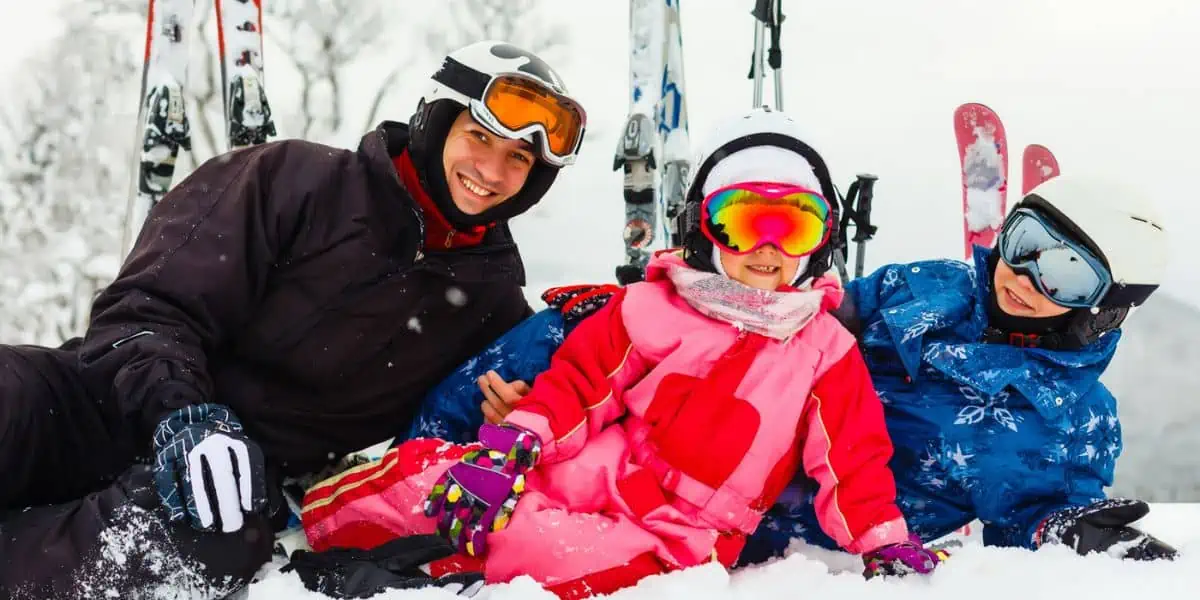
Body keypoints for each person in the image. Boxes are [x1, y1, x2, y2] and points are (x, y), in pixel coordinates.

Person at [0, 39, 586, 598]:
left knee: (209, 544)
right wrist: (183, 415)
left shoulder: (490, 303)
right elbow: (145, 309)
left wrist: (526, 408)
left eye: (519, 158)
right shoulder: (294, 180)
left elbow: (488, 419)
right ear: (435, 120)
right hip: (92, 403)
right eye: (480, 137)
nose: (492, 169)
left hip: (233, 485)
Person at [300, 108, 942, 600]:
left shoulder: (824, 350)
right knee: (444, 482)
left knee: (551, 552)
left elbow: (852, 458)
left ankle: (433, 567)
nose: (767, 248)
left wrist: (883, 542)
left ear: (820, 240)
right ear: (703, 227)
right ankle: (326, 518)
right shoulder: (653, 305)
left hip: (679, 531)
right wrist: (515, 444)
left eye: (794, 225)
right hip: (588, 468)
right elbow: (581, 383)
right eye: (744, 222)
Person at [740, 173, 1179, 564]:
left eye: (1066, 274)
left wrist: (1063, 529)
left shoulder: (1075, 419)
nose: (1024, 276)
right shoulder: (930, 286)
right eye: (1024, 243)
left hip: (799, 557)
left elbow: (1031, 515)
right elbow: (826, 316)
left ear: (1105, 311)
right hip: (724, 461)